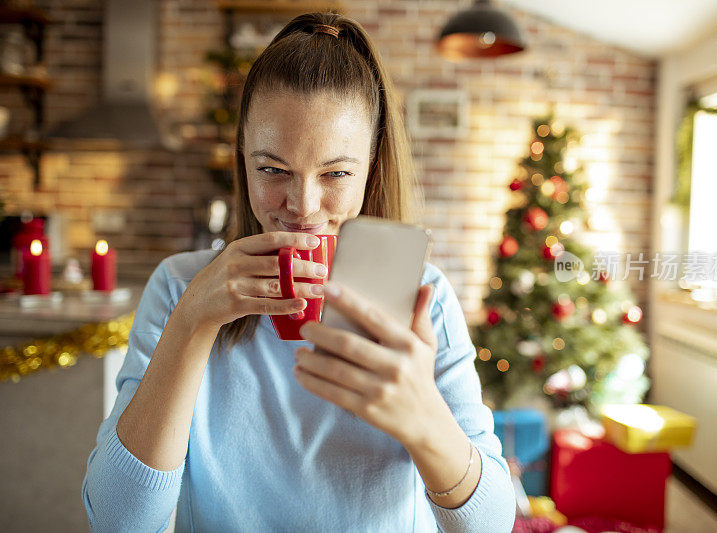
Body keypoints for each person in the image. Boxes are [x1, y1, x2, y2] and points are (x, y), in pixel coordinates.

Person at [82, 12, 514, 532]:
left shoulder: (423, 298)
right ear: (242, 160)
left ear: (371, 167)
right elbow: (117, 521)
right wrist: (193, 322)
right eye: (272, 169)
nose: (303, 207)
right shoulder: (180, 287)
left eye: (335, 173)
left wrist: (425, 421)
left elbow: (491, 524)